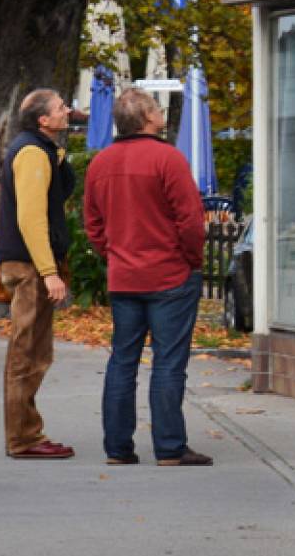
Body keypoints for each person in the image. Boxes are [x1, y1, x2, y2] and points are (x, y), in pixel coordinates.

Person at [84, 88, 211, 467]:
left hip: (125, 277)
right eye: (156, 108)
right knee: (169, 362)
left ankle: (118, 447)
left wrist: (113, 254)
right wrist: (192, 259)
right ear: (145, 118)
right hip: (169, 274)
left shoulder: (101, 163)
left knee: (123, 360)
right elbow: (190, 218)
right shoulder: (168, 160)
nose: (161, 113)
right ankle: (170, 446)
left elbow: (93, 223)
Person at [0, 87, 78, 459]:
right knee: (27, 351)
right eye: (61, 107)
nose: (67, 111)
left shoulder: (43, 150)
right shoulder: (31, 153)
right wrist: (49, 271)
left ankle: (27, 433)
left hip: (30, 264)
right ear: (43, 119)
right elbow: (31, 219)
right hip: (30, 266)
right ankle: (24, 437)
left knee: (33, 350)